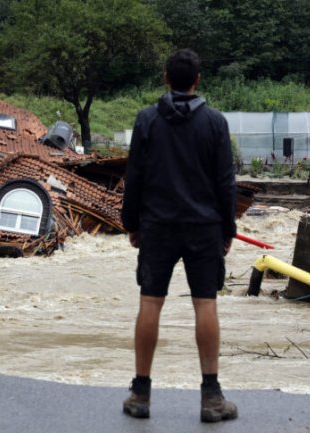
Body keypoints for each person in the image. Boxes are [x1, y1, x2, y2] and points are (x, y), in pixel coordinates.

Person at [120, 48, 238, 423]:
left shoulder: (147, 120)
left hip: (157, 226)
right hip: (204, 228)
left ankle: (140, 393)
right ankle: (211, 397)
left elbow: (134, 177)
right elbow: (225, 183)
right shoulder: (215, 123)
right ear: (198, 80)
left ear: (165, 78)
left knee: (150, 303)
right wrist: (227, 229)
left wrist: (131, 224)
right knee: (205, 305)